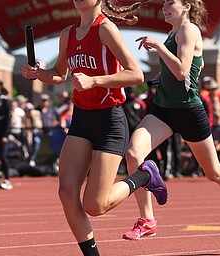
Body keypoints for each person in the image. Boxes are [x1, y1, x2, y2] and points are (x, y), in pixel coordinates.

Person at [22, 1, 167, 255]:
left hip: (109, 121)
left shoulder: (105, 30)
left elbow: (136, 74)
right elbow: (59, 74)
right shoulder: (68, 33)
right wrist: (38, 73)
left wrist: (94, 81)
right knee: (67, 193)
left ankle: (144, 175)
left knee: (95, 205)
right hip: (81, 119)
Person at [123, 0, 220, 249]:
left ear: (186, 6)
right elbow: (197, 65)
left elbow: (183, 72)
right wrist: (162, 76)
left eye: (170, 2)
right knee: (133, 154)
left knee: (213, 171)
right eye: (163, 2)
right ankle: (147, 219)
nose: (164, 6)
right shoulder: (174, 33)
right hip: (163, 109)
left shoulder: (189, 30)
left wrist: (161, 48)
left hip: (188, 111)